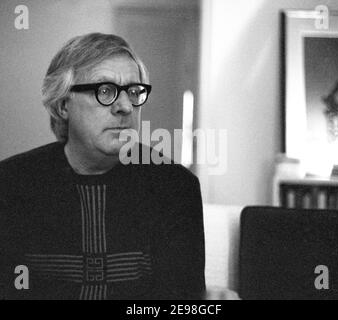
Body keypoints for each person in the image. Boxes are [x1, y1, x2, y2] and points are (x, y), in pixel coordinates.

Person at [0, 33, 205, 300]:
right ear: (63, 105)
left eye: (133, 92)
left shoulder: (175, 187)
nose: (125, 107)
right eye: (105, 91)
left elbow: (182, 300)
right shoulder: (11, 184)